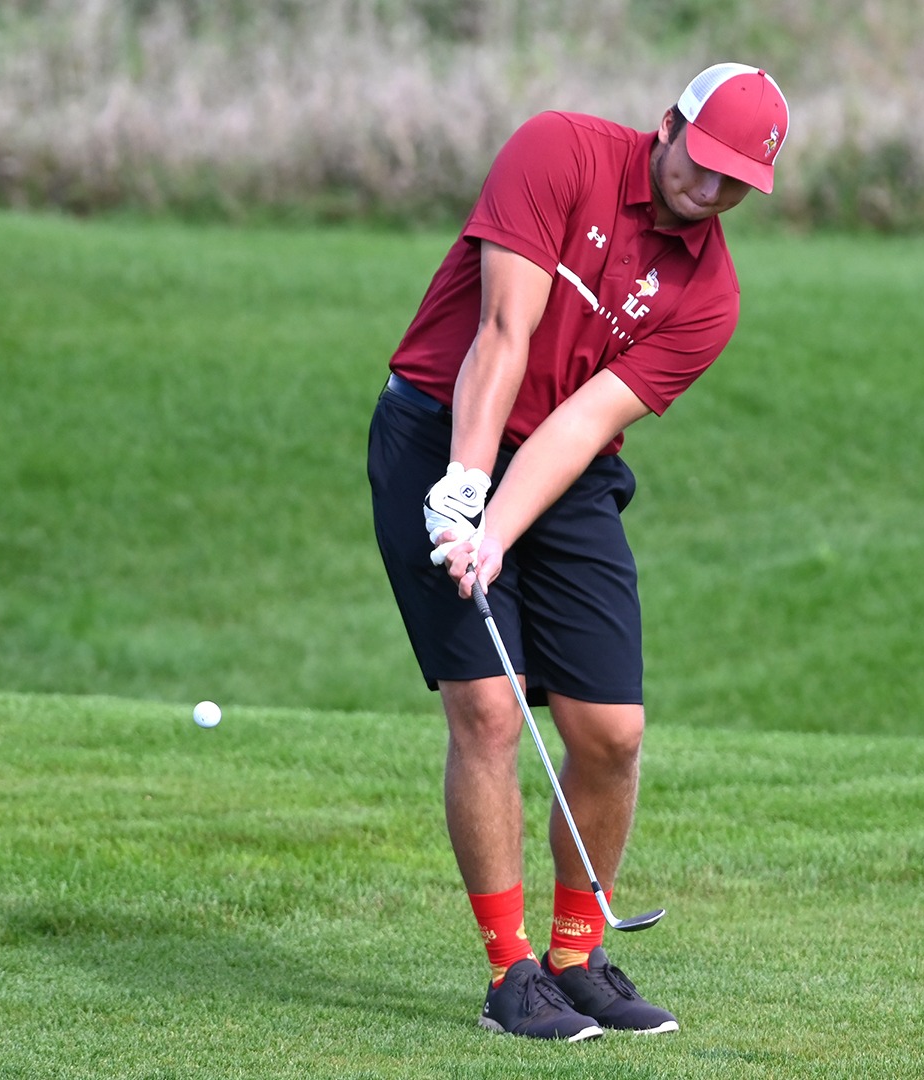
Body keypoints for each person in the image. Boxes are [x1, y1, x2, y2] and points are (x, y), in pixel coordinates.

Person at [366, 62, 789, 1041]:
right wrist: (463, 491)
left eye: (737, 182)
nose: (711, 189)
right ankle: (512, 973)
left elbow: (580, 423)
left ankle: (575, 955)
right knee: (487, 710)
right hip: (439, 427)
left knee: (613, 733)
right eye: (706, 161)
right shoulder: (559, 152)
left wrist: (499, 530)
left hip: (566, 469)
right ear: (670, 124)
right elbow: (503, 333)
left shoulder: (710, 297)